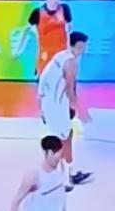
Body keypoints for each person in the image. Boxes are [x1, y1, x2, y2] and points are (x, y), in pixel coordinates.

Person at [39, 32, 93, 184]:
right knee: (63, 140)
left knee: (65, 137)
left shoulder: (60, 56)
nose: (83, 49)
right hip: (56, 105)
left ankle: (68, 173)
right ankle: (62, 178)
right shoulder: (71, 63)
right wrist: (81, 110)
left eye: (84, 46)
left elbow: (44, 79)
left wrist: (41, 103)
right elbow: (69, 90)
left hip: (50, 102)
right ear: (75, 46)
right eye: (81, 46)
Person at [29, 0, 72, 73]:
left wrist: (69, 51)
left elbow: (68, 30)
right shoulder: (37, 12)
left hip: (61, 51)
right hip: (45, 52)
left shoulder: (64, 9)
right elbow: (30, 27)